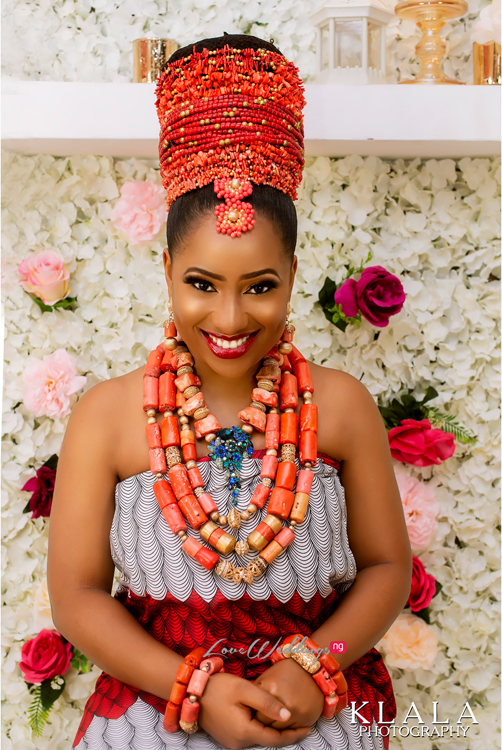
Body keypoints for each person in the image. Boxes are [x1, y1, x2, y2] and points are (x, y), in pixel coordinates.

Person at [48, 33, 412, 750]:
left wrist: (316, 666)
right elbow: (78, 598)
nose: (230, 319)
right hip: (155, 708)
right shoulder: (107, 416)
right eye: (202, 284)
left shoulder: (339, 405)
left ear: (294, 274)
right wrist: (198, 690)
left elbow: (387, 567)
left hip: (311, 706)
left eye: (261, 287)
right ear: (167, 270)